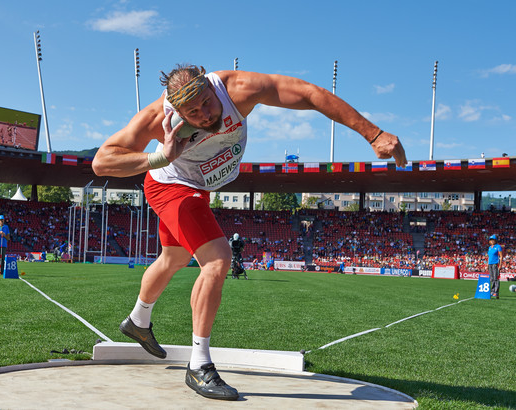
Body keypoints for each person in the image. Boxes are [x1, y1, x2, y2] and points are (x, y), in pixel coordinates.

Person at [92, 64, 407, 401]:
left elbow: (310, 94)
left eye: (207, 103)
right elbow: (102, 161)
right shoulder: (157, 118)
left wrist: (372, 133)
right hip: (172, 186)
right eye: (192, 113)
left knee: (173, 258)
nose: (204, 115)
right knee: (217, 260)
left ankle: (138, 320)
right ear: (177, 111)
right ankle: (199, 365)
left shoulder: (238, 88)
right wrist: (161, 155)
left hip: (198, 187)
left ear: (213, 89)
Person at [487, 234, 503, 299]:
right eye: (491, 240)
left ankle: (496, 292)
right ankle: (492, 291)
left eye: (493, 240)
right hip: (490, 264)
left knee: (496, 278)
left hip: (495, 264)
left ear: (495, 240)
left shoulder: (498, 246)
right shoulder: (489, 247)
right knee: (492, 279)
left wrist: (500, 265)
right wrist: (487, 265)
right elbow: (489, 257)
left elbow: (501, 256)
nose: (492, 241)